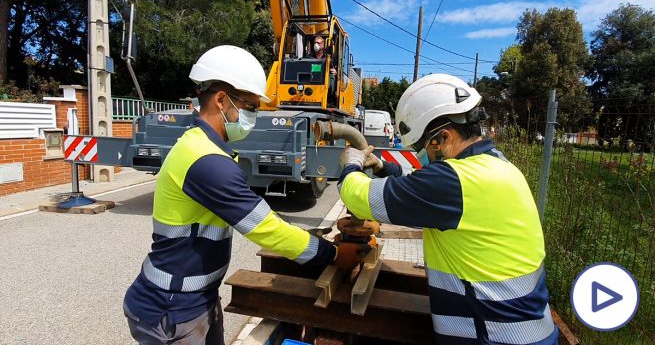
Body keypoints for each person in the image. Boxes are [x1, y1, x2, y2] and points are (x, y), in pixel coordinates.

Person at [123, 45, 368, 345]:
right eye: (250, 107)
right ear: (222, 100)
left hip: (195, 301)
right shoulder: (206, 161)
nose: (253, 116)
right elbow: (266, 229)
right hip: (171, 310)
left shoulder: (203, 147)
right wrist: (331, 254)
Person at [337, 73, 558, 344]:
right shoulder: (498, 165)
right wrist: (384, 167)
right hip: (527, 330)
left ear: (442, 138)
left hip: (493, 337)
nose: (422, 155)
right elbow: (422, 182)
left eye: (423, 148)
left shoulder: (455, 183)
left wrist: (351, 165)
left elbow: (358, 196)